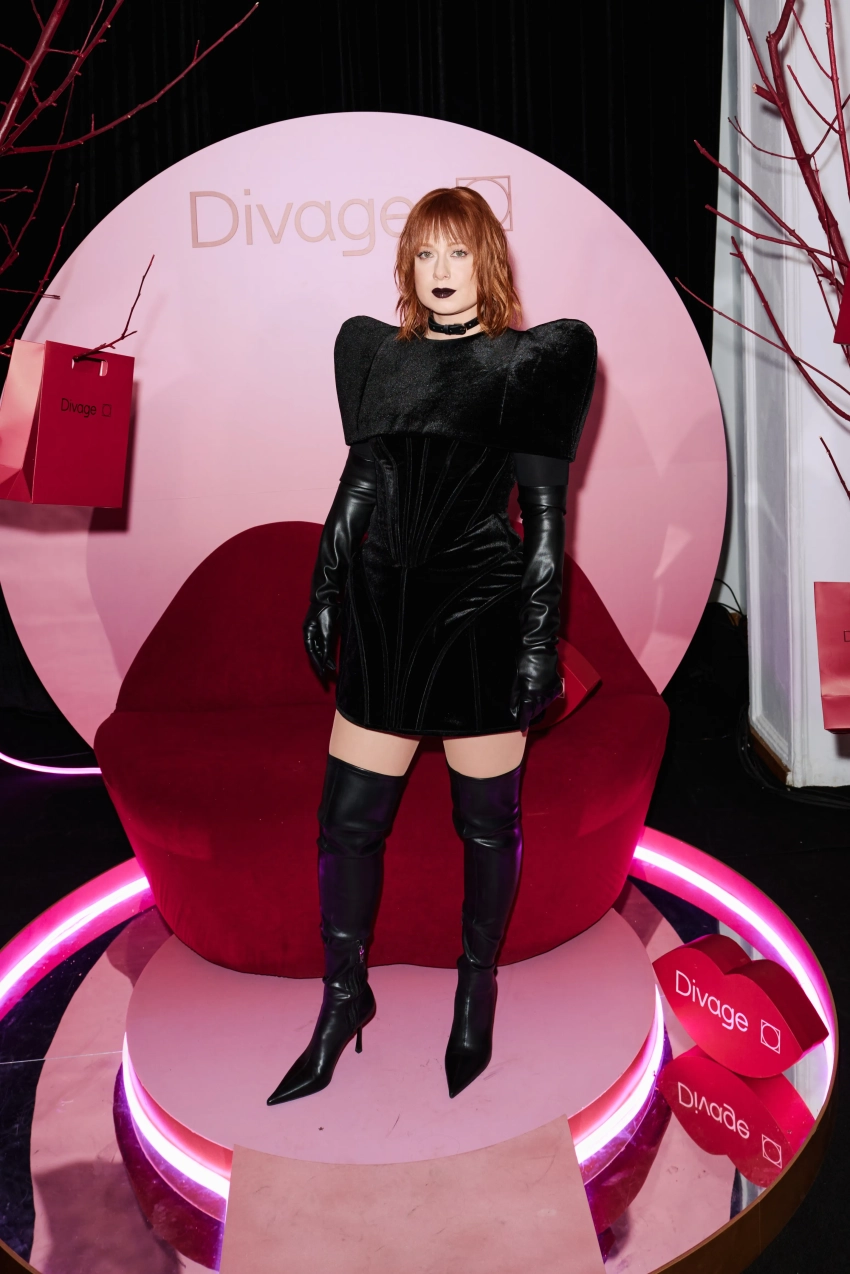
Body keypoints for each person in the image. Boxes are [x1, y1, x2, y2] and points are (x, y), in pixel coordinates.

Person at [267, 185, 596, 1106]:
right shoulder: (380, 357)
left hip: (481, 621)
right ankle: (344, 998)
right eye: (424, 254)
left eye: (457, 253)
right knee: (345, 825)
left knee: (487, 824)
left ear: (486, 262)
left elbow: (545, 522)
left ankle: (474, 988)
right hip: (384, 620)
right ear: (407, 267)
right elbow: (358, 489)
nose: (440, 271)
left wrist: (539, 641)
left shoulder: (529, 363)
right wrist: (325, 589)